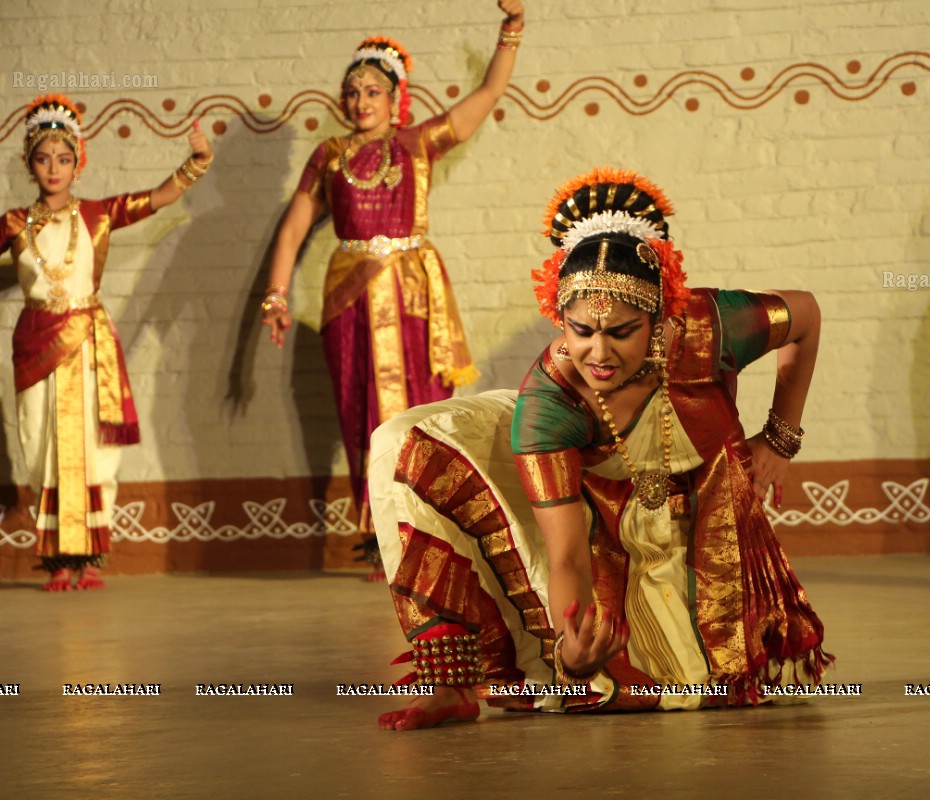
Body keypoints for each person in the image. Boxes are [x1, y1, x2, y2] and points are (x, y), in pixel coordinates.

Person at [368, 167, 831, 731]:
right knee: (401, 444)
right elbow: (565, 553)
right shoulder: (550, 401)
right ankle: (453, 684)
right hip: (607, 520)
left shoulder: (712, 324)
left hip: (711, 518)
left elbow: (805, 313)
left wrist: (781, 436)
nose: (598, 352)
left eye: (622, 331)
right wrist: (572, 646)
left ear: (659, 319)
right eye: (581, 329)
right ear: (560, 316)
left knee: (723, 678)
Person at [262, 1, 525, 581]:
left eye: (373, 91)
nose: (360, 101)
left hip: (412, 296)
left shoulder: (419, 143)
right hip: (349, 300)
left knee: (422, 406)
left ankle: (432, 523)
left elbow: (487, 93)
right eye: (352, 91)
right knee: (360, 413)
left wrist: (510, 30)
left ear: (395, 97)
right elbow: (294, 227)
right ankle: (381, 526)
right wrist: (276, 297)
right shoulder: (328, 156)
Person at [0, 94, 213, 591]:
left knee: (95, 451)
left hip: (89, 343)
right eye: (43, 157)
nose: (54, 167)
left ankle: (90, 556)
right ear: (30, 164)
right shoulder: (13, 223)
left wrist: (196, 163)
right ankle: (57, 559)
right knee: (38, 443)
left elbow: (157, 198)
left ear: (79, 163)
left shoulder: (98, 213)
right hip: (37, 344)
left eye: (64, 158)